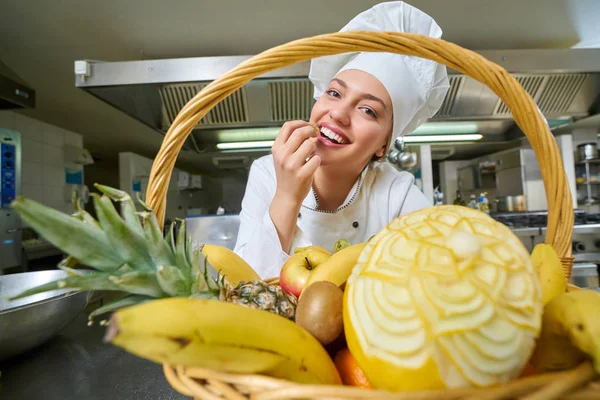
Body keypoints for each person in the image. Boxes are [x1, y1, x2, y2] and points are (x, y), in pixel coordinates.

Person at [233, 1, 450, 279]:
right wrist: (287, 196)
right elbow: (245, 285)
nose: (338, 114)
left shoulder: (397, 194)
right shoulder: (268, 172)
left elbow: (437, 275)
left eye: (368, 111)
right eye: (334, 93)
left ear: (384, 144)